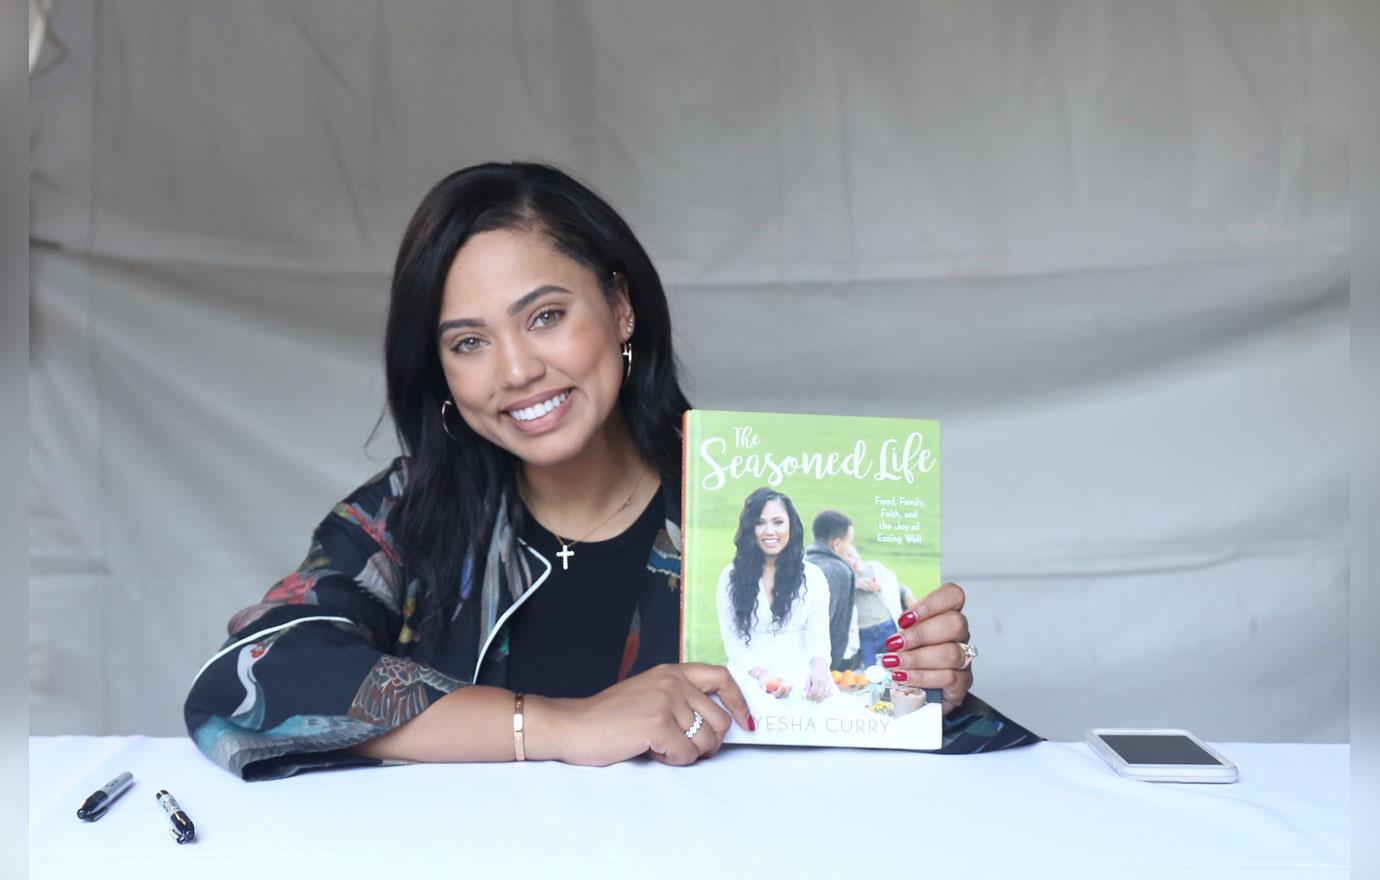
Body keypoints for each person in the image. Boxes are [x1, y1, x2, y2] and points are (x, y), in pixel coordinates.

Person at [183, 161, 1038, 781]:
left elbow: (912, 753)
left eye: (546, 316)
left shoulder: (747, 501)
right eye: (469, 342)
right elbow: (250, 676)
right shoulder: (409, 512)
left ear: (621, 307)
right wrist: (562, 725)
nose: (515, 370)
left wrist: (928, 690)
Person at [716, 488, 834, 703]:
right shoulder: (730, 576)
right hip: (750, 681)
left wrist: (819, 671)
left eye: (778, 522)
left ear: (791, 526)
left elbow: (819, 635)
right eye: (760, 523)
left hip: (804, 681)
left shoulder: (813, 576)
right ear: (750, 528)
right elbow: (733, 643)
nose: (769, 531)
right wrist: (763, 676)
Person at [846, 545, 917, 668]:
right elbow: (841, 595)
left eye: (852, 555)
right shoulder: (847, 577)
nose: (852, 561)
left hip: (886, 627)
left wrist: (880, 587)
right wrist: (855, 585)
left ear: (857, 552)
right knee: (871, 669)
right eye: (847, 560)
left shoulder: (874, 567)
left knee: (894, 664)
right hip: (864, 634)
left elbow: (894, 586)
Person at [804, 510, 858, 669]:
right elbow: (826, 621)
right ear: (836, 544)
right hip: (823, 662)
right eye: (848, 543)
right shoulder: (837, 570)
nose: (849, 549)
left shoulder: (805, 562)